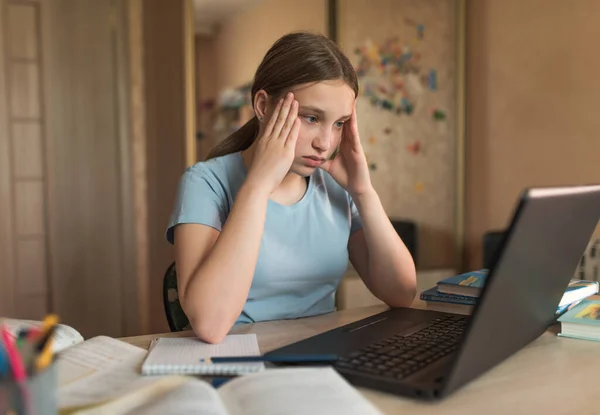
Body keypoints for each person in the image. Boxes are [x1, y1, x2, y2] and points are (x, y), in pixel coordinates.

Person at [166, 32, 417, 343]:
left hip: (323, 358)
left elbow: (402, 293)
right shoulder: (205, 183)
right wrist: (258, 186)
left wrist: (364, 192)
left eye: (339, 123)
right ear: (262, 106)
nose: (325, 143)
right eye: (312, 118)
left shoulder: (336, 189)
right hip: (238, 365)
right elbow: (209, 324)